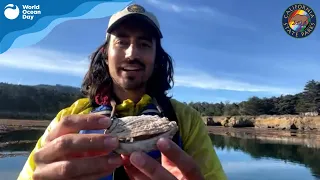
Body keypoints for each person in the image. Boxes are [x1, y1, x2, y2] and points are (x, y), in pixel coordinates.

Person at [17, 3, 227, 180]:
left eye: (144, 44)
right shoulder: (69, 119)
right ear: (106, 54)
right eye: (121, 42)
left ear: (157, 58)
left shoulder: (186, 120)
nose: (132, 53)